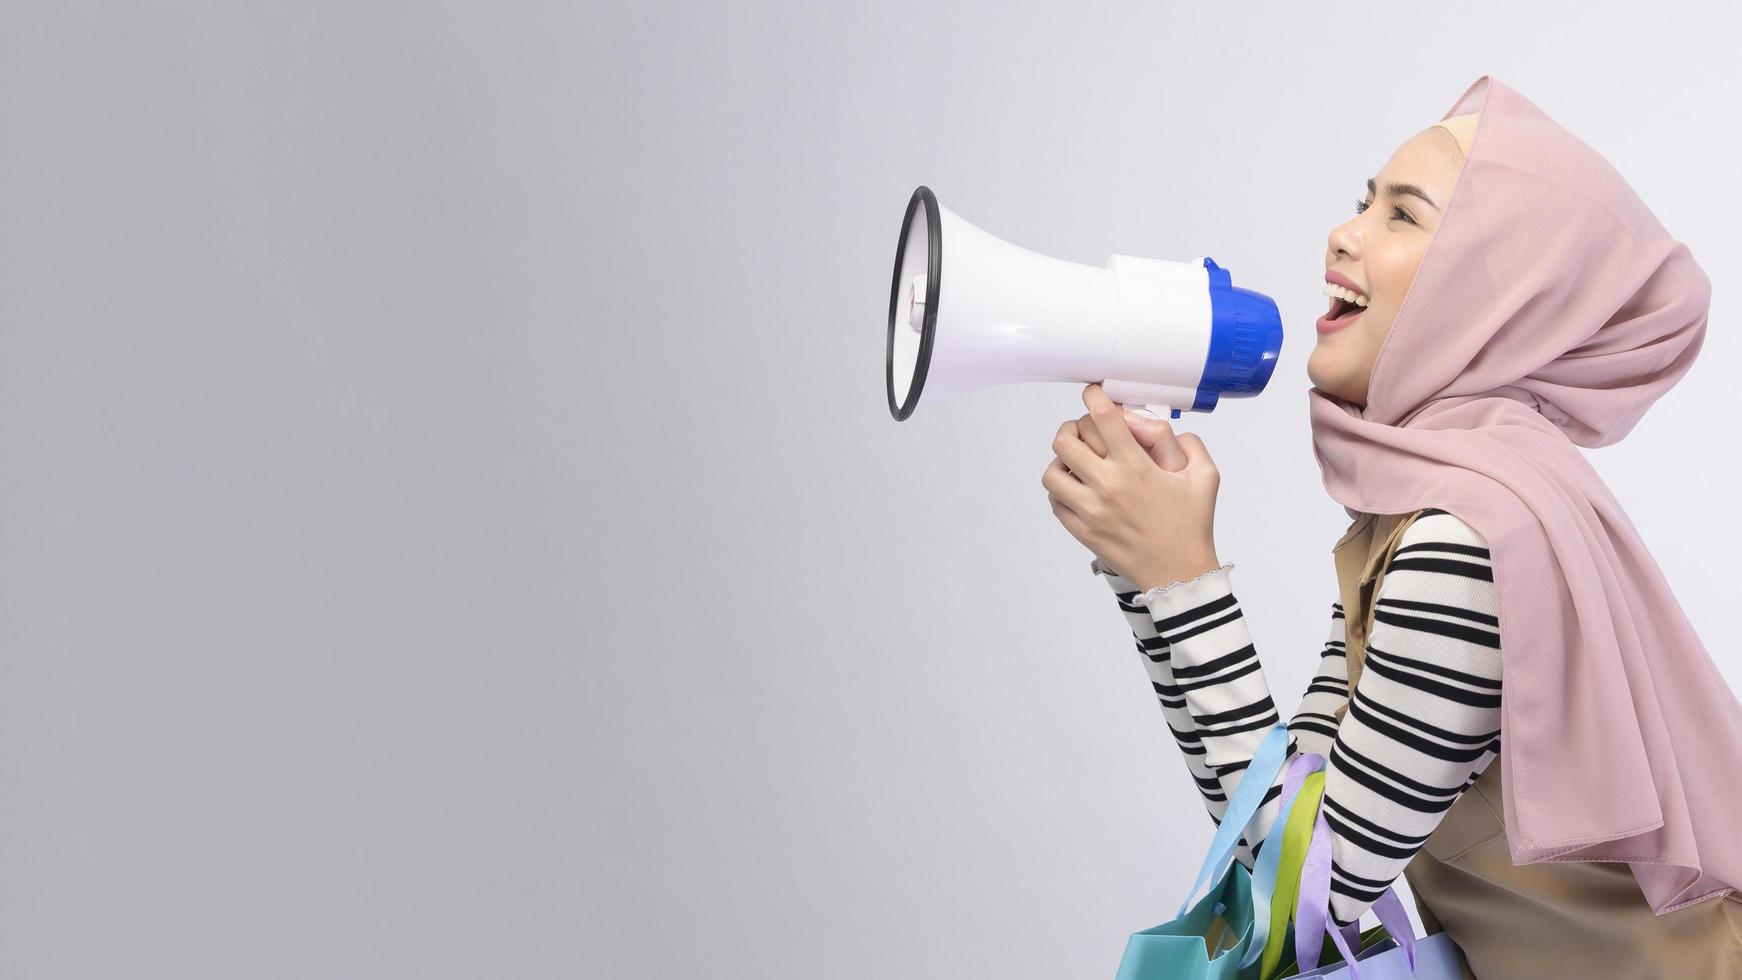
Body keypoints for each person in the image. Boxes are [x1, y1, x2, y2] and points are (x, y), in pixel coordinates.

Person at [1043, 76, 1742, 977]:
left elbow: (1296, 903)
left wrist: (1184, 582)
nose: (1344, 233)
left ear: (1495, 294)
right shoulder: (1423, 508)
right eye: (1362, 202)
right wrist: (1148, 572)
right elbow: (1276, 827)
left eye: (1403, 217)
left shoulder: (1470, 540)